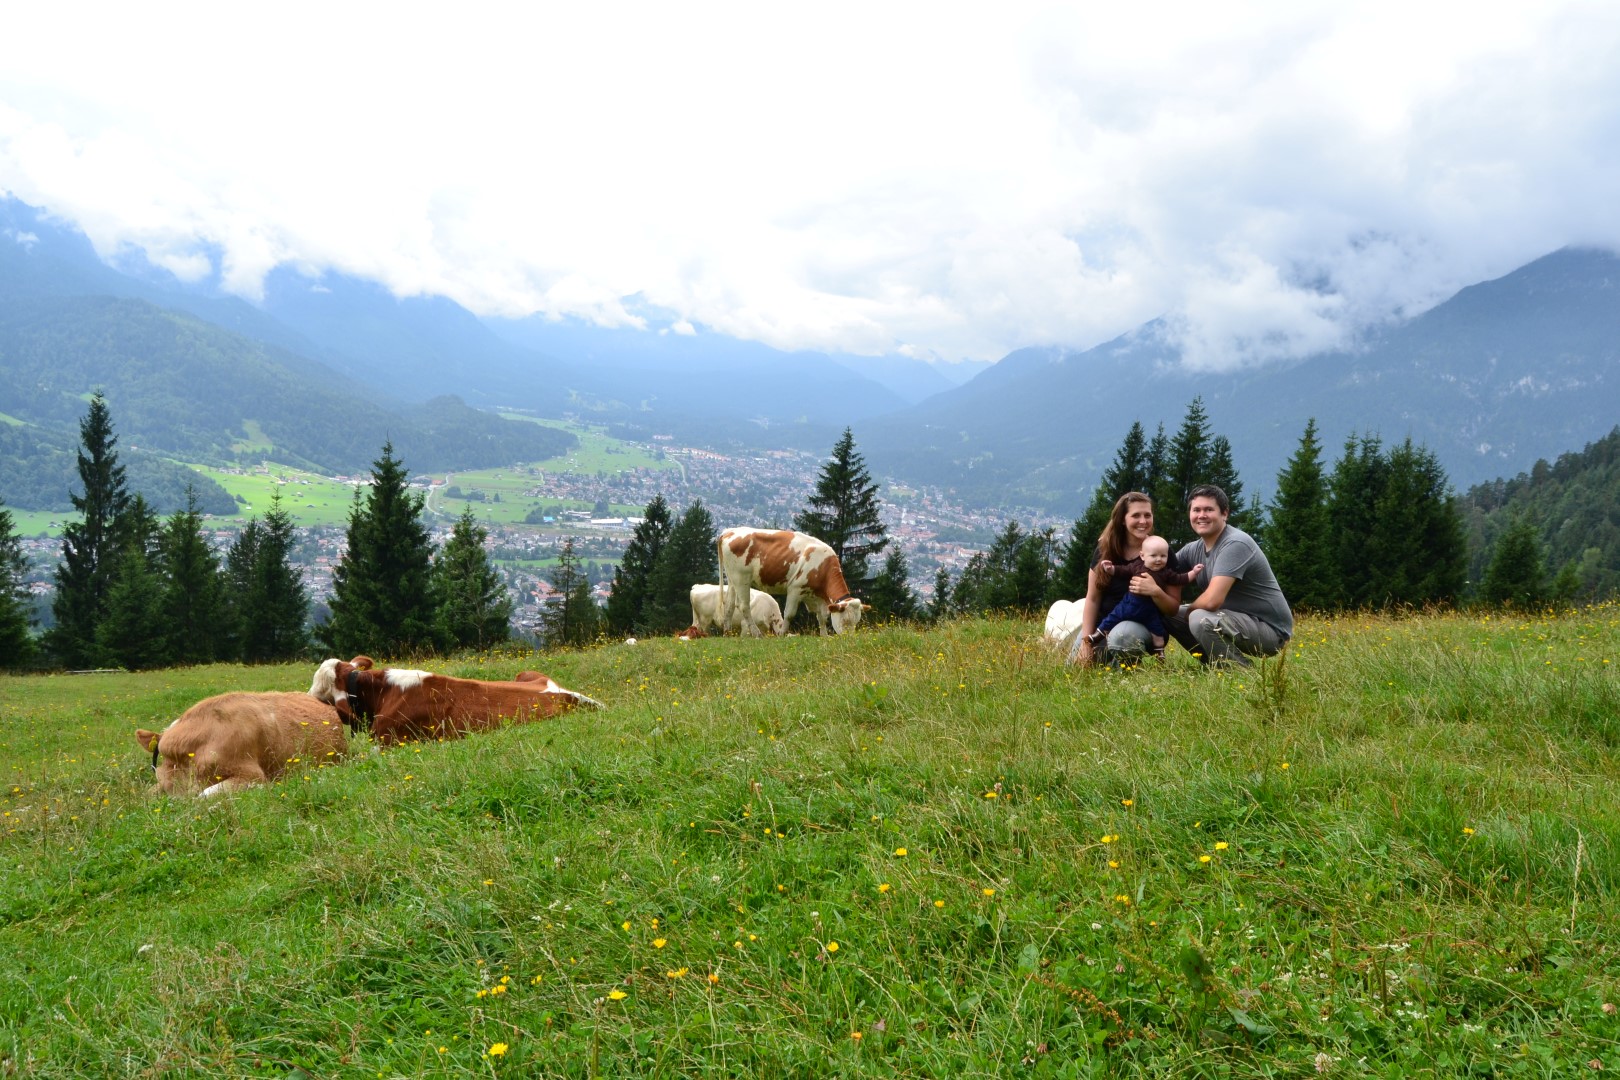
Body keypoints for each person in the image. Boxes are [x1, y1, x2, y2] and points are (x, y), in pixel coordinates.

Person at [1157, 484, 1293, 666]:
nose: (1201, 515)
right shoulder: (1193, 549)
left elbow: (1212, 600)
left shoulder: (1236, 543)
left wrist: (1188, 613)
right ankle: (1215, 664)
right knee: (1169, 613)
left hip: (1270, 630)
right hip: (1233, 620)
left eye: (1209, 509)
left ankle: (1238, 671)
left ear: (1224, 514)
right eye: (1196, 510)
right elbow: (1160, 572)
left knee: (1199, 618)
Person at [1069, 492, 1187, 666]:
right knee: (1075, 668)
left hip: (1144, 625)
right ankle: (1109, 659)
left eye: (1148, 515)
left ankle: (1128, 673)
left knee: (1121, 638)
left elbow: (1173, 608)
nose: (1143, 521)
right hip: (1105, 622)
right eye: (1136, 515)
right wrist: (1087, 642)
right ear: (1123, 519)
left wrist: (1155, 591)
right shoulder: (1105, 549)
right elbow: (1093, 599)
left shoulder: (1161, 552)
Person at [1085, 535, 1202, 658]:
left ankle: (1159, 652)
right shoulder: (1136, 566)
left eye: (1163, 556)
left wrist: (1193, 572)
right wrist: (1110, 569)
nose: (1158, 559)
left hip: (1148, 611)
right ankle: (1097, 635)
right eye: (1153, 556)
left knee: (1157, 630)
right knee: (1111, 618)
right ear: (1142, 556)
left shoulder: (1166, 573)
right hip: (1128, 605)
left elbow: (1181, 579)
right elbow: (1121, 570)